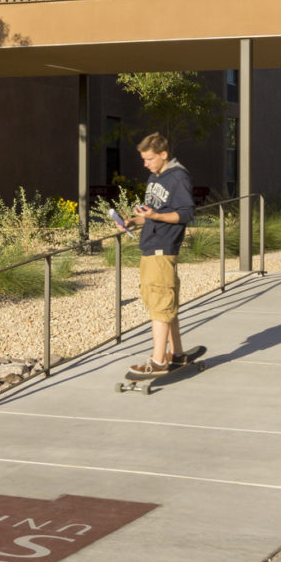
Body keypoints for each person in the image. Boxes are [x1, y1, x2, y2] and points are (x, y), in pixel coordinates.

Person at [126, 132, 193, 379]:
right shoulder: (155, 177)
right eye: (143, 159)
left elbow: (185, 214)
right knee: (165, 302)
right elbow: (152, 212)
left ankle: (157, 361)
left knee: (159, 304)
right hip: (151, 246)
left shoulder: (178, 177)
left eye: (150, 159)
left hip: (162, 248)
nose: (146, 163)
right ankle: (176, 353)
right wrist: (133, 220)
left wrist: (155, 217)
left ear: (164, 155)